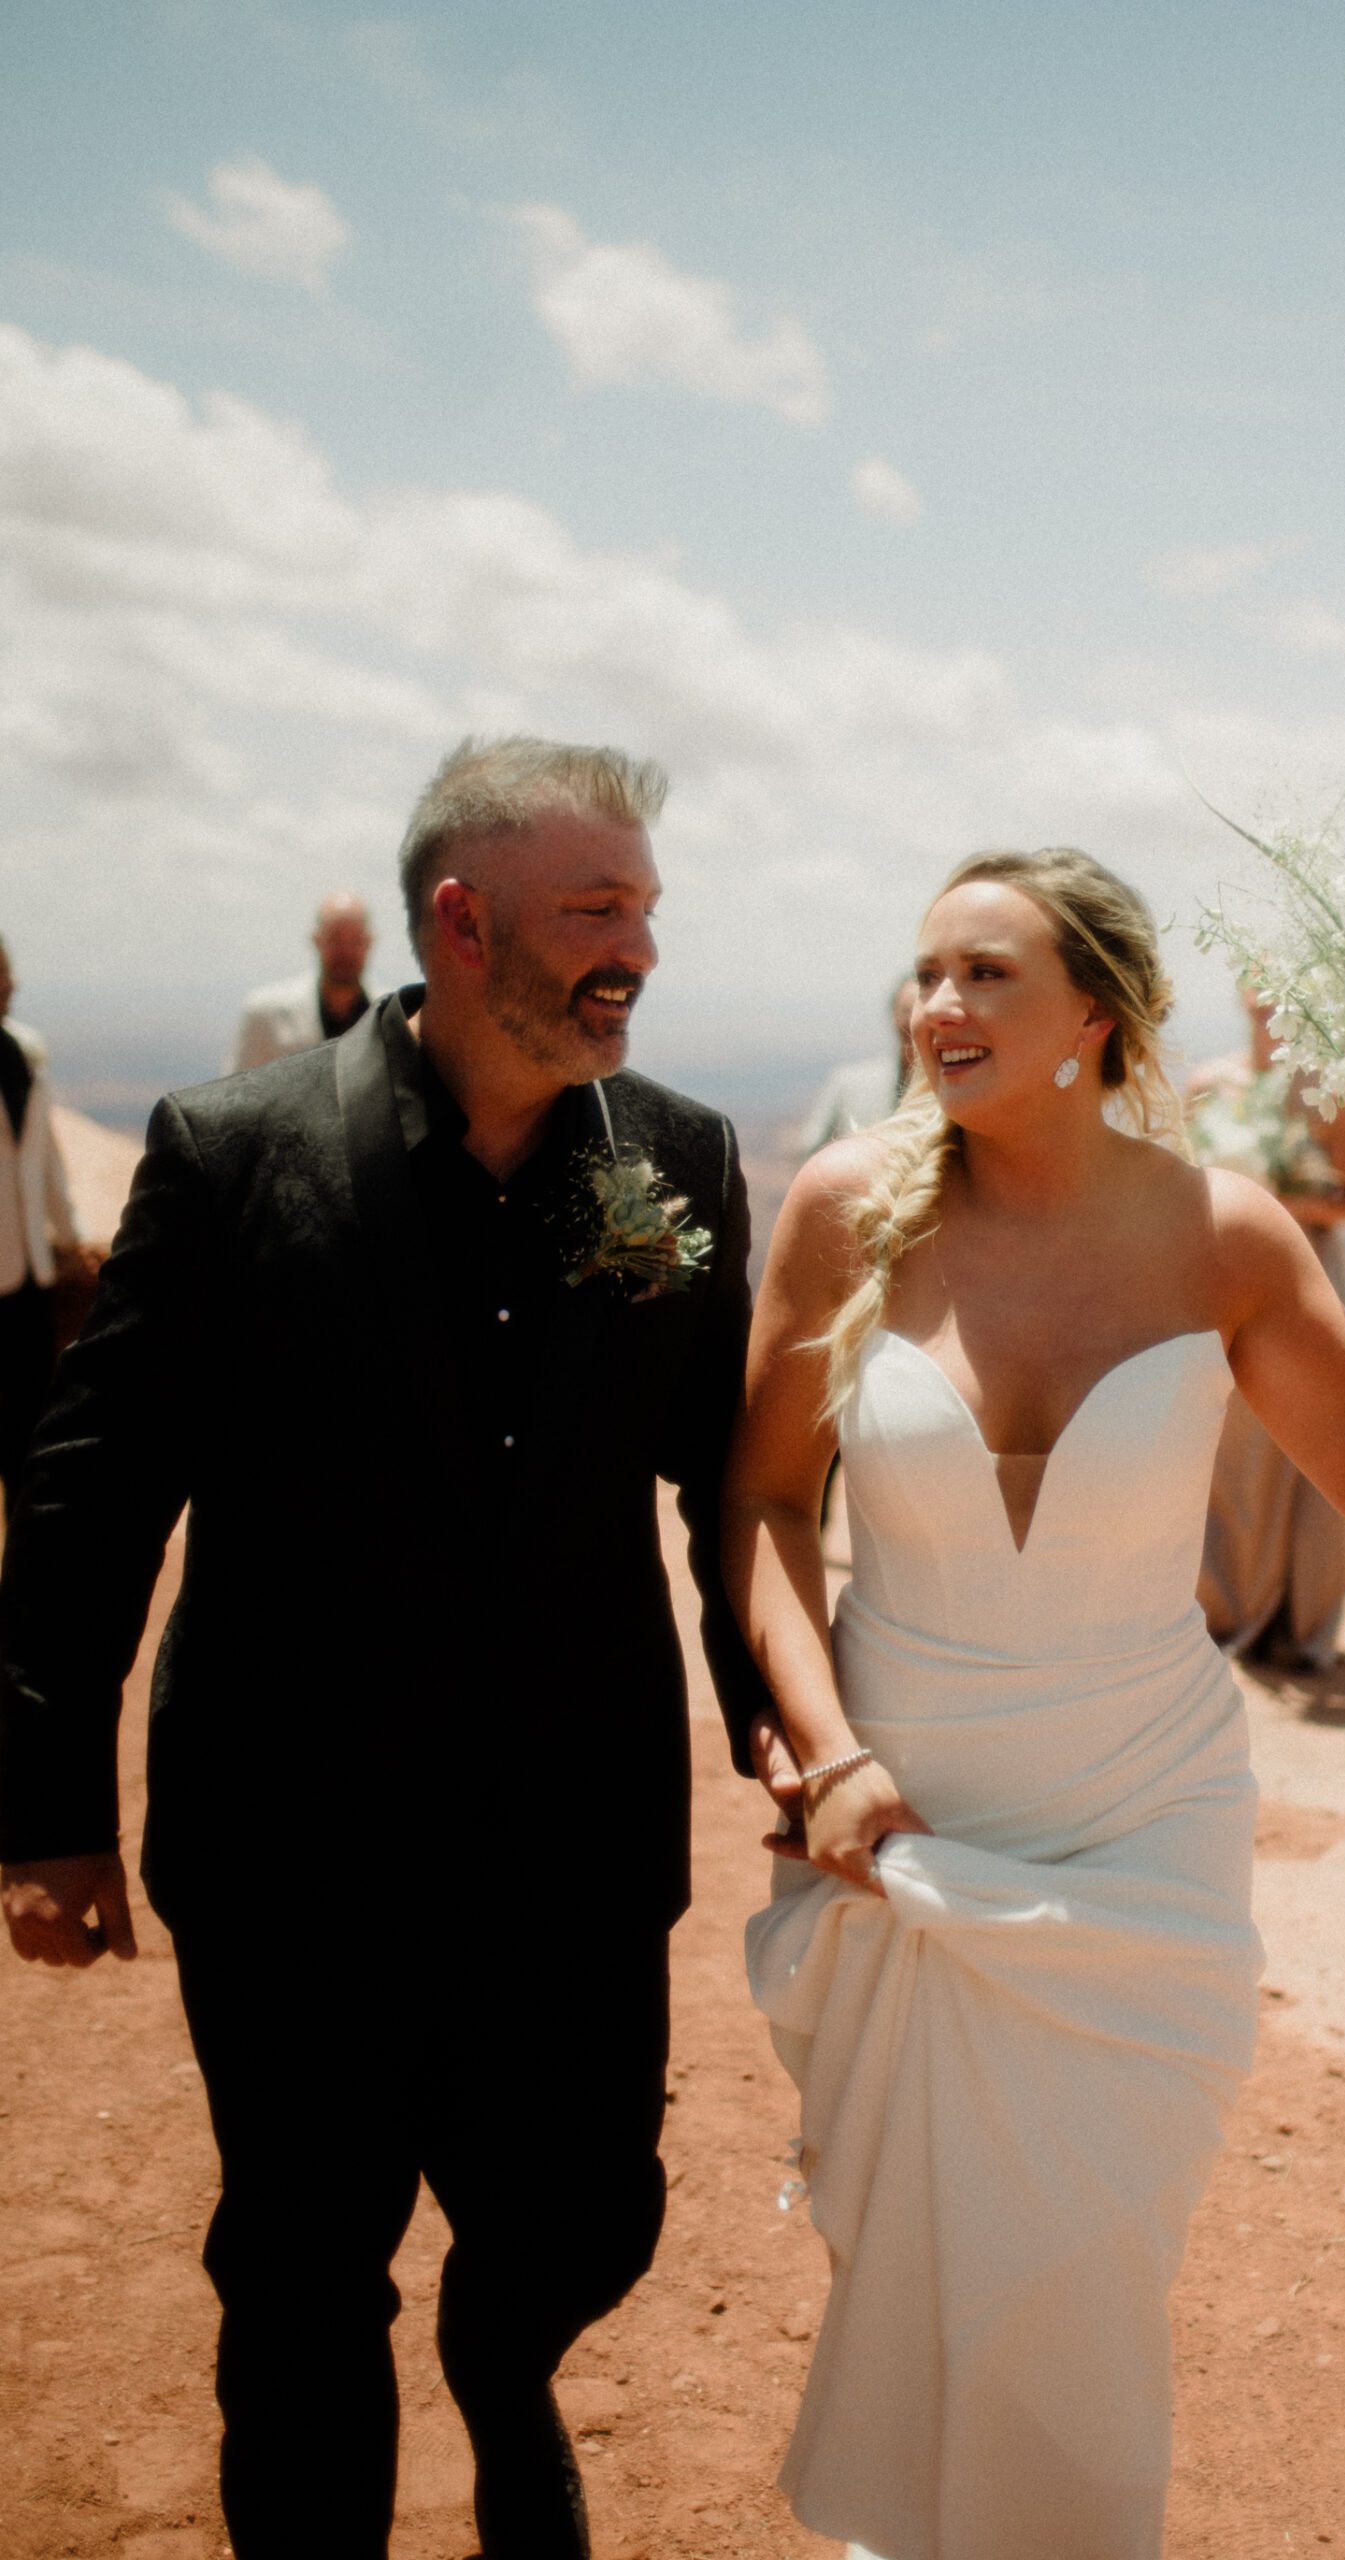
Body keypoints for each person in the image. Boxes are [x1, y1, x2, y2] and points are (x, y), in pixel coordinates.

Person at [0, 737, 771, 2560]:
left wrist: (793, 1742)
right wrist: (44, 1808)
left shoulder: (679, 1156)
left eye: (647, 911)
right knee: (298, 2284)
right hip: (292, 1847)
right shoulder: (230, 1149)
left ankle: (506, 2377)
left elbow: (734, 1486)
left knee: (587, 2226)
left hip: (571, 1845)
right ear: (459, 917)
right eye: (596, 911)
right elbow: (95, 1490)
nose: (636, 951)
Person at [728, 846, 1345, 2560]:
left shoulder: (1218, 1230)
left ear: (1098, 1012)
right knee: (916, 2250)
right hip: (901, 1816)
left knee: (1080, 2263)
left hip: (1141, 1819)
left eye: (988, 974)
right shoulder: (844, 1206)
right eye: (925, 973)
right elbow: (767, 1504)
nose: (940, 1005)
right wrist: (830, 1754)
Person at [1188, 989, 1345, 1668]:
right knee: (1229, 1446)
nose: (1269, 1018)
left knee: (1306, 1440)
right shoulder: (1209, 1084)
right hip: (1225, 1280)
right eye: (1258, 1005)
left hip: (1307, 1275)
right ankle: (1226, 1611)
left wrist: (1273, 1200)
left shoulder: (1331, 1093)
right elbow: (1180, 1187)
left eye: (1283, 1005)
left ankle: (1298, 1619)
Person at [0, 937, 81, 1517]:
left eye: (6, 971)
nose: (9, 983)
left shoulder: (24, 1052)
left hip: (31, 1271)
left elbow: (46, 1156)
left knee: (29, 1438)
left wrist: (69, 1235)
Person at [229, 889, 375, 1070]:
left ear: (369, 942)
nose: (345, 952)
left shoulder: (394, 1015)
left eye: (355, 940)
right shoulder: (264, 1014)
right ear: (317, 940)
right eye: (335, 939)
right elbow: (236, 1093)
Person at [794, 976, 916, 1159]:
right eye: (906, 1011)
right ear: (893, 1015)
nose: (912, 1022)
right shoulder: (848, 1084)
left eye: (921, 1012)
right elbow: (810, 1151)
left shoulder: (952, 1090)